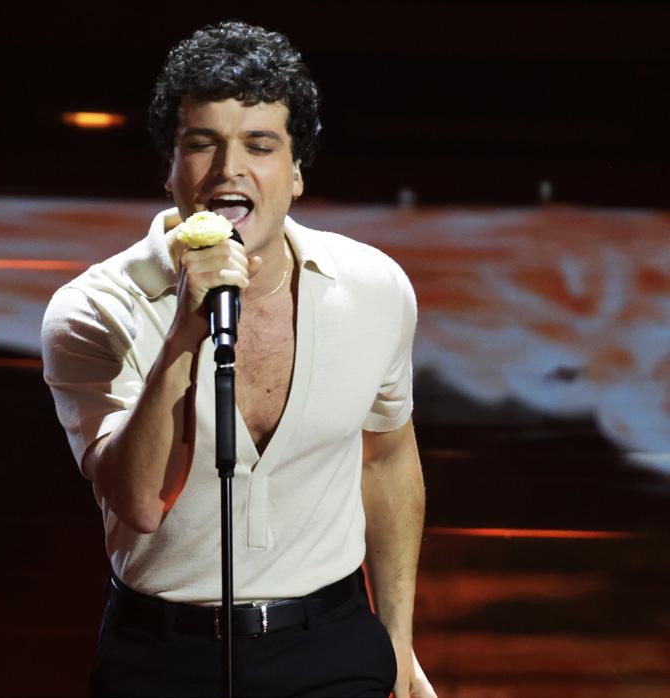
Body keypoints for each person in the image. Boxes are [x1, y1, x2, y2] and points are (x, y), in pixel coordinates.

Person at [42, 20, 436, 698]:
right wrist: (183, 335)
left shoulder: (374, 287)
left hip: (331, 643)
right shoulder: (93, 309)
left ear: (296, 172)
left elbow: (387, 457)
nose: (230, 170)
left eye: (260, 145)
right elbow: (137, 502)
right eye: (203, 144)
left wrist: (397, 642)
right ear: (170, 170)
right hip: (163, 654)